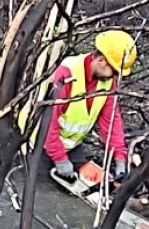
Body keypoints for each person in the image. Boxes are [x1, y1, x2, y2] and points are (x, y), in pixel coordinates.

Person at [20, 30, 137, 183]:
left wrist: (120, 157)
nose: (115, 76)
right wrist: (60, 158)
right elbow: (48, 121)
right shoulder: (66, 74)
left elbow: (111, 121)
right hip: (38, 144)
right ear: (101, 60)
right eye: (114, 71)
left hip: (71, 146)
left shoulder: (108, 82)